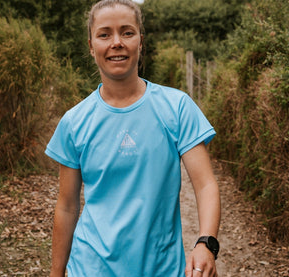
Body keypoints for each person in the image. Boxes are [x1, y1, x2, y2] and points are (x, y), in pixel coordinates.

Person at [45, 0, 221, 276]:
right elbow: (67, 206)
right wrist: (56, 274)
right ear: (91, 46)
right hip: (89, 268)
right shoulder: (74, 122)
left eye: (127, 32)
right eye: (104, 34)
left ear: (141, 41)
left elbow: (205, 185)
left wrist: (206, 243)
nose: (117, 42)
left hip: (162, 269)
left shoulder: (177, 107)